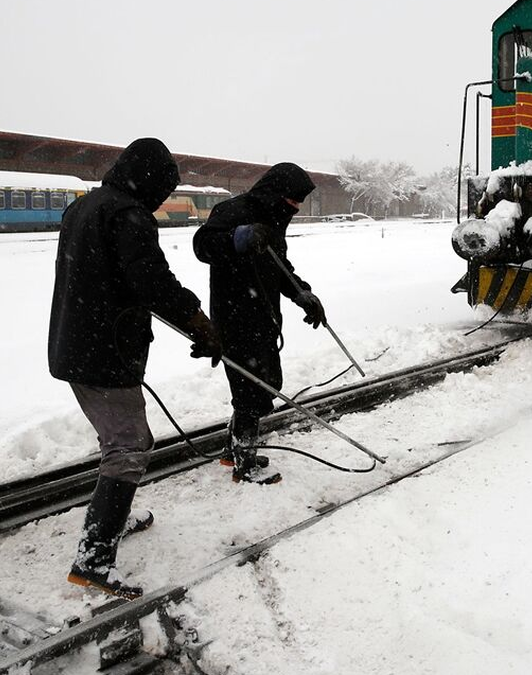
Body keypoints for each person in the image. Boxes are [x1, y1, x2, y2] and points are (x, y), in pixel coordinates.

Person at [48, 137, 221, 599]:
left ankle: (114, 521)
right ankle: (94, 561)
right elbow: (152, 281)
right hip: (105, 351)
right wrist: (198, 322)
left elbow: (112, 276)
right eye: (163, 188)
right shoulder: (128, 214)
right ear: (148, 180)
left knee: (124, 441)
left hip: (72, 346)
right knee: (128, 448)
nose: (163, 199)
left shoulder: (84, 208)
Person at [192, 163, 325, 484]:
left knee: (262, 385)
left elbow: (278, 266)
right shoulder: (233, 210)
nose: (296, 207)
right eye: (293, 199)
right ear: (277, 192)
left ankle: (231, 450)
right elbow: (202, 245)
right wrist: (240, 237)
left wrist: (301, 293)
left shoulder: (274, 218)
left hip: (264, 317)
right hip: (234, 318)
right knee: (252, 392)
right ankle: (244, 464)